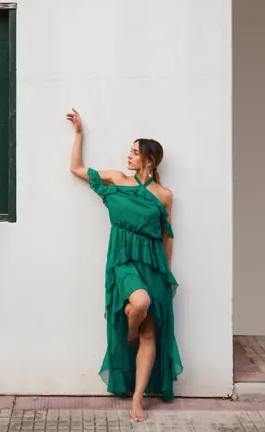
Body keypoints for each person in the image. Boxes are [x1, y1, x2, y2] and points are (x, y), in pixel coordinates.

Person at [66, 108, 183, 422]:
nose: (128, 156)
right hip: (122, 260)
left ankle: (137, 399)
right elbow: (76, 168)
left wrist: (166, 273)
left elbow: (167, 236)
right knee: (139, 303)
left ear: (148, 160)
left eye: (134, 152)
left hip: (153, 265)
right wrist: (79, 133)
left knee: (149, 334)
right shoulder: (117, 180)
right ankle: (129, 330)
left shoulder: (164, 195)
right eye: (129, 151)